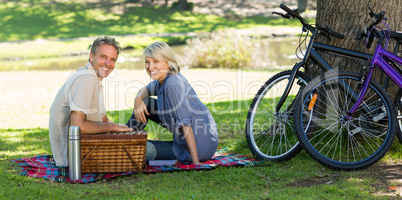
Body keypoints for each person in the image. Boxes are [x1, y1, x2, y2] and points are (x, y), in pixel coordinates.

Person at [126, 41, 219, 165]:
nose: (150, 67)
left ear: (168, 61)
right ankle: (123, 141)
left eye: (156, 61)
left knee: (147, 150)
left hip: (198, 148)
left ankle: (122, 145)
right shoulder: (163, 79)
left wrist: (195, 162)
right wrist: (137, 100)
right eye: (147, 62)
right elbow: (145, 90)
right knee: (146, 102)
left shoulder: (172, 84)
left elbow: (186, 123)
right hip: (196, 142)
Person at [49, 35, 133, 167]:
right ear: (92, 56)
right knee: (148, 150)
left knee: (138, 144)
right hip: (76, 157)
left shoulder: (92, 78)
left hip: (88, 148)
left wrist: (123, 131)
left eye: (112, 59)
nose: (108, 63)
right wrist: (112, 127)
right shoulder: (86, 79)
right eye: (103, 57)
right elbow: (77, 127)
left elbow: (103, 120)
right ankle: (178, 152)